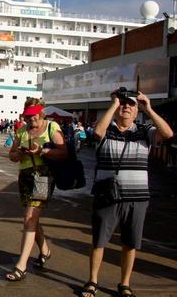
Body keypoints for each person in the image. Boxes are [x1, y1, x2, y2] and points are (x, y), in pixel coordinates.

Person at [80, 89, 172, 297]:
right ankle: (92, 281)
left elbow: (167, 134)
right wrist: (114, 104)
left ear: (136, 109)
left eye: (131, 104)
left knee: (130, 243)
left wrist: (148, 108)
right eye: (123, 104)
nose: (127, 107)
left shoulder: (145, 131)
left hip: (137, 198)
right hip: (107, 196)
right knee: (99, 241)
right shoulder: (106, 129)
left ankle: (124, 284)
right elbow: (97, 133)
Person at [5, 97, 67, 282]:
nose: (31, 120)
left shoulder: (52, 127)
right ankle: (45, 250)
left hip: (44, 176)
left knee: (29, 218)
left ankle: (21, 266)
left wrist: (42, 151)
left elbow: (63, 153)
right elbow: (12, 156)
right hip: (25, 176)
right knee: (32, 218)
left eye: (34, 116)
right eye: (28, 117)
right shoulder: (22, 131)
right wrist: (20, 153)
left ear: (41, 113)